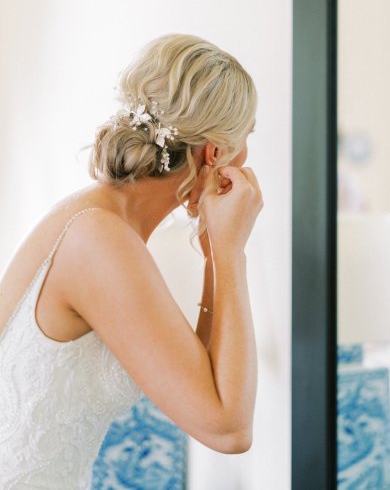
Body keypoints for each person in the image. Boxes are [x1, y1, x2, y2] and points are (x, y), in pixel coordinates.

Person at [0, 33, 263, 489]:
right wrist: (231, 251)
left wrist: (214, 255)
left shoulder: (98, 220)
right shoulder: (100, 240)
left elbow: (205, 383)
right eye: (247, 138)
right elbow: (228, 428)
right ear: (216, 154)